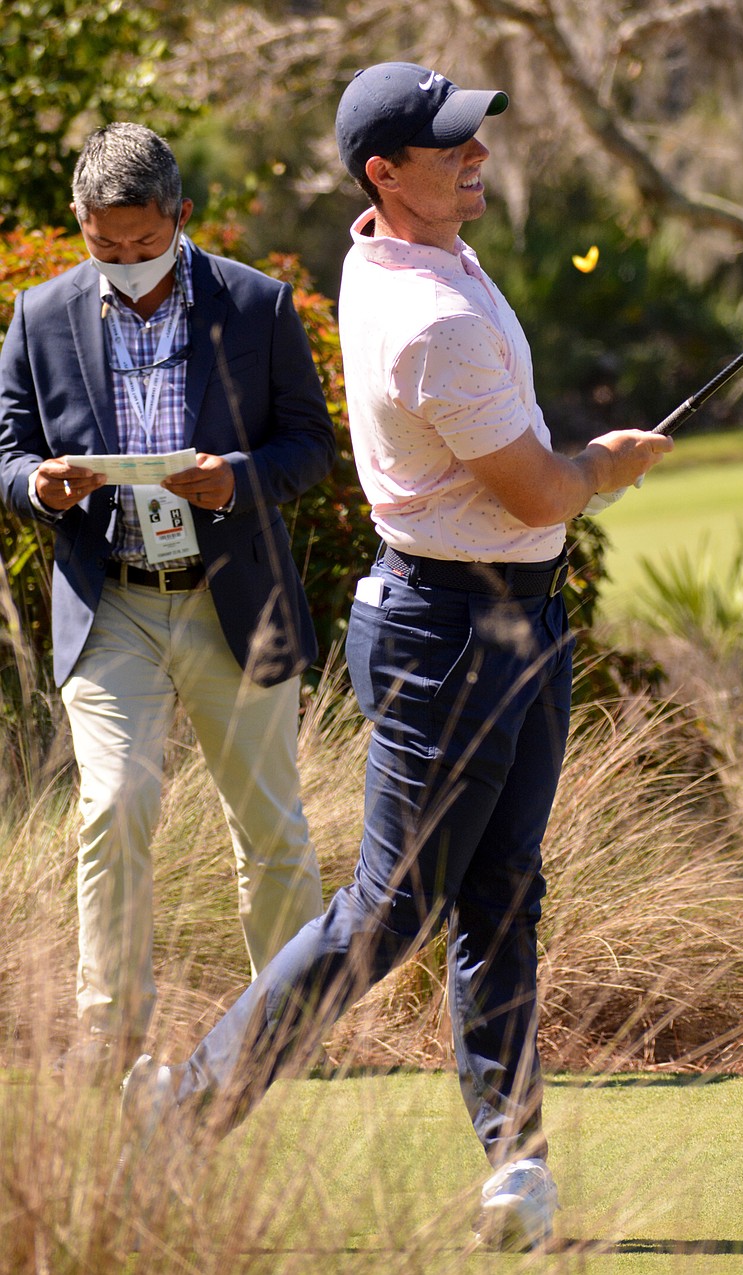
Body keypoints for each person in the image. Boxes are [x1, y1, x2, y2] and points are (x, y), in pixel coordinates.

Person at [117, 65, 673, 1251]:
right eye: (451, 147)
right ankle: (187, 1101)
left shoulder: (404, 251)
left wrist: (574, 476)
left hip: (510, 613)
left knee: (503, 892)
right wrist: (608, 463)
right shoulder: (433, 318)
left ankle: (513, 1166)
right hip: (449, 632)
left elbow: (525, 498)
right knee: (389, 910)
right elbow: (535, 487)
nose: (478, 158)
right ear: (383, 173)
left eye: (475, 140)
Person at [0, 123, 336, 1078]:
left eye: (143, 245)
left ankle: (285, 1036)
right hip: (112, 604)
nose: (124, 263)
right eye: (104, 246)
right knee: (113, 804)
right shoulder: (41, 314)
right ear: (81, 225)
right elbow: (6, 449)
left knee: (270, 827)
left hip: (236, 601)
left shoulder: (258, 305)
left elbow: (311, 445)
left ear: (180, 218)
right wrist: (38, 487)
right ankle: (110, 1042)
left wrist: (236, 478)